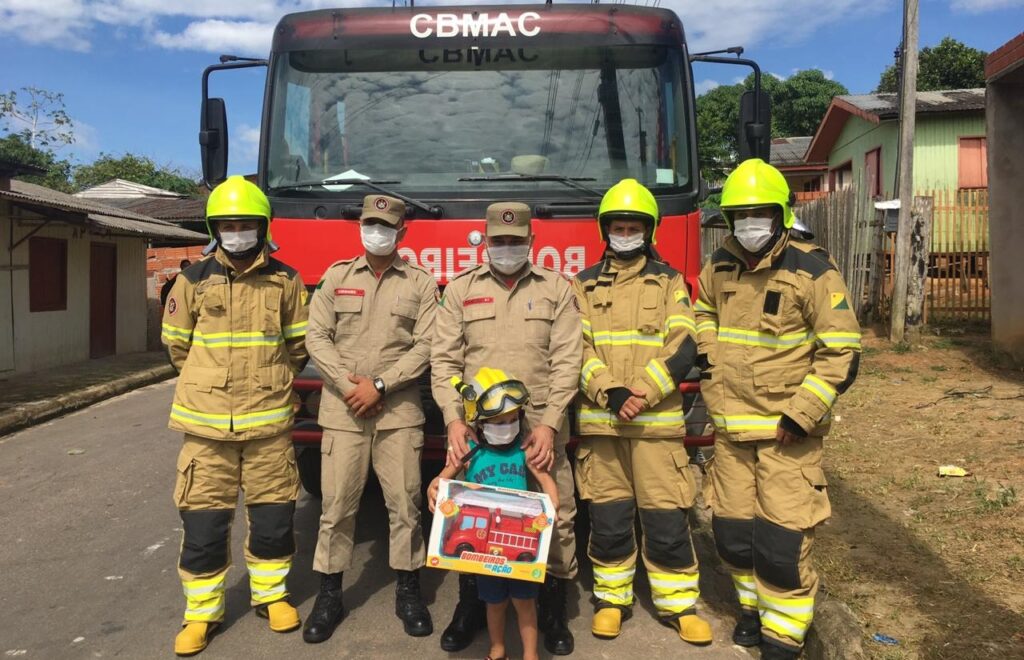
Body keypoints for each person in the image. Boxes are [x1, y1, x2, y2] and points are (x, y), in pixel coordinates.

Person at [695, 158, 861, 660]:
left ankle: (783, 635)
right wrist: (708, 353)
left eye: (758, 213)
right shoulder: (719, 265)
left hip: (786, 436)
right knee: (733, 535)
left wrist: (801, 414)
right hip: (730, 433)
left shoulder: (813, 270)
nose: (748, 223)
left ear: (780, 213)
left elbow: (843, 351)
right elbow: (702, 311)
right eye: (739, 214)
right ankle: (752, 611)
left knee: (781, 543)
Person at [160, 176, 309, 656]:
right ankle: (202, 613)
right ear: (214, 228)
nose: (237, 232)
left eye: (246, 224)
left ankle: (272, 597)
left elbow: (298, 347)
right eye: (228, 224)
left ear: (263, 227)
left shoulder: (286, 280)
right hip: (206, 429)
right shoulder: (191, 279)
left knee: (274, 517)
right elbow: (176, 347)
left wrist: (268, 383)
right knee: (203, 525)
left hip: (268, 424)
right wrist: (213, 385)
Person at [431, 202, 582, 655]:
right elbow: (443, 361)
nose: (507, 248)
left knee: (557, 518)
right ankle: (471, 606)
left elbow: (568, 360)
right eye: (499, 240)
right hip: (479, 438)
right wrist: (454, 419)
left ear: (531, 242)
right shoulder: (460, 290)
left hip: (539, 432)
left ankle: (553, 608)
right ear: (485, 242)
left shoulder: (557, 288)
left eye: (516, 241)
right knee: (470, 519)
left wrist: (551, 424)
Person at [571, 179, 712, 645]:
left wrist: (643, 393)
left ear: (648, 231)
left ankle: (678, 605)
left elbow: (685, 342)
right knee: (609, 520)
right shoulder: (582, 285)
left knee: (667, 519)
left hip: (655, 426)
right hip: (603, 424)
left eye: (634, 227)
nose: (625, 233)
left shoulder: (670, 282)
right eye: (618, 226)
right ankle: (612, 600)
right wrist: (610, 392)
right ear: (604, 230)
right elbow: (576, 345)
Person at [302, 194, 438, 643]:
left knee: (406, 505)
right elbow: (316, 336)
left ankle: (408, 589)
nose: (376, 231)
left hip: (398, 412)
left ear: (402, 232)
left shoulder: (420, 282)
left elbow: (426, 345)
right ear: (360, 227)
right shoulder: (336, 276)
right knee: (337, 507)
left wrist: (379, 385)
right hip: (343, 413)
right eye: (369, 224)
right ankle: (330, 593)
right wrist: (348, 385)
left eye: (385, 225)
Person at [427, 368, 560, 660]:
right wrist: (434, 490)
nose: (508, 426)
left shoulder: (524, 449)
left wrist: (549, 513)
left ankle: (530, 655)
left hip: (521, 543)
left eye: (513, 419)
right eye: (499, 421)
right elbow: (442, 480)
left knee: (525, 603)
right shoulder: (470, 450)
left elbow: (548, 485)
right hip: (486, 552)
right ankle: (497, 649)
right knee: (494, 603)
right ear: (481, 422)